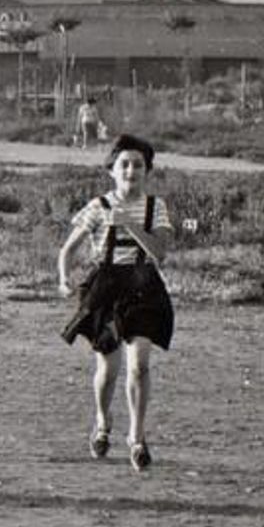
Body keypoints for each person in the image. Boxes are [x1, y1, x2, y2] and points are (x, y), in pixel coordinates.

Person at [58, 134, 175, 472]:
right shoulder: (98, 207)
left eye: (138, 165)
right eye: (124, 164)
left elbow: (161, 251)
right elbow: (67, 250)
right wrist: (63, 279)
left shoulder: (156, 207)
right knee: (107, 369)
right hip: (105, 288)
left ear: (147, 171)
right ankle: (102, 420)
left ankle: (137, 438)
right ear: (112, 170)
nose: (131, 170)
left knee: (139, 363)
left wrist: (131, 225)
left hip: (143, 287)